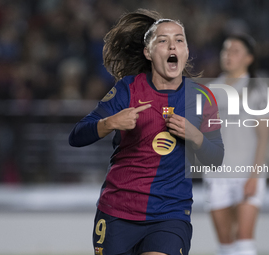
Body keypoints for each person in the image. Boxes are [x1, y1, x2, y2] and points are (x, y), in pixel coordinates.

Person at [69, 9, 224, 255]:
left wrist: (195, 136)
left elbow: (216, 159)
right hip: (118, 211)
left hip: (170, 214)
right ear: (148, 53)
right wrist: (110, 122)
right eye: (163, 40)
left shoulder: (202, 98)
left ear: (185, 52)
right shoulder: (127, 90)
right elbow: (76, 136)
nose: (173, 45)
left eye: (179, 40)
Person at [204, 34, 269, 255]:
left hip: (247, 172)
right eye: (226, 51)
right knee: (225, 243)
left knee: (244, 239)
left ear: (249, 58)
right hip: (217, 174)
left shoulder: (257, 90)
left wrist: (254, 175)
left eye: (235, 51)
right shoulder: (211, 91)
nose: (228, 55)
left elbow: (264, 136)